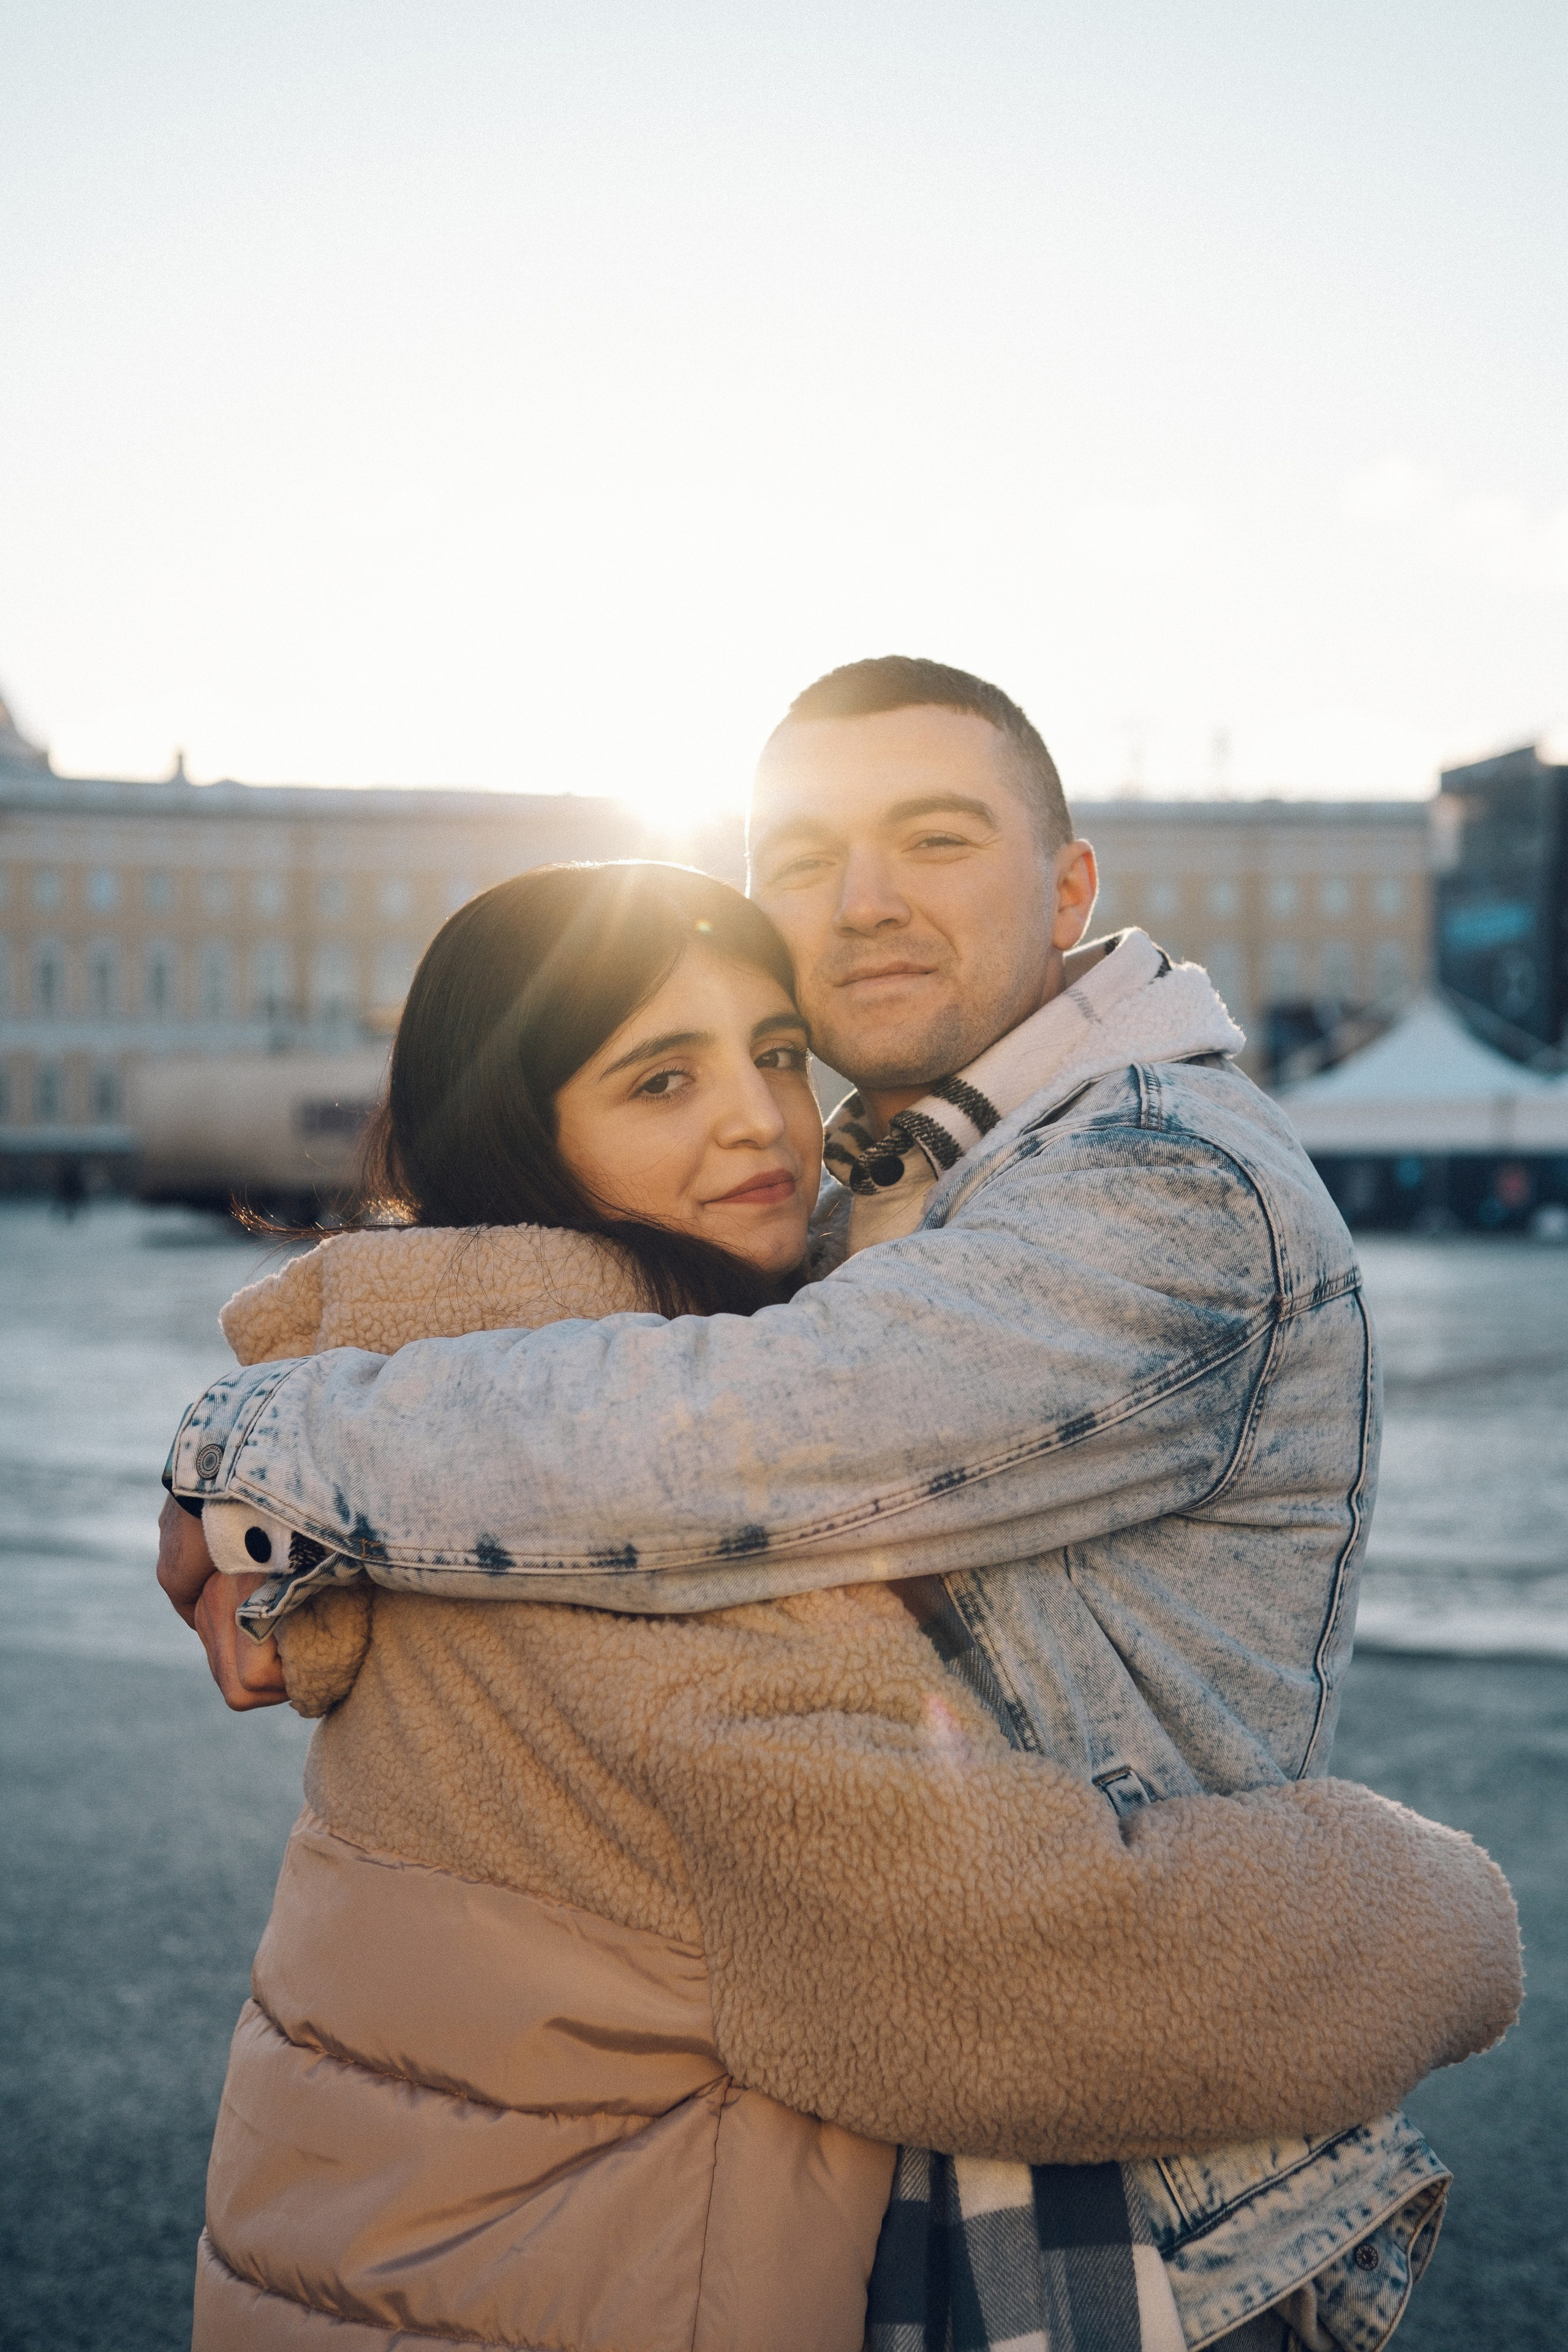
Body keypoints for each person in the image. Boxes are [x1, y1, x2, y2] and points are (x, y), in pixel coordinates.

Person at [162, 660, 1500, 2351]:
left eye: (934, 838)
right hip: (957, 2194)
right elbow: (972, 1956)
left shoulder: (1156, 1184)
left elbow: (754, 1426)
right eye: (802, 857)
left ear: (1072, 885)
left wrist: (251, 1448)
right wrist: (1435, 1909)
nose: (860, 904)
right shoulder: (656, 1415)